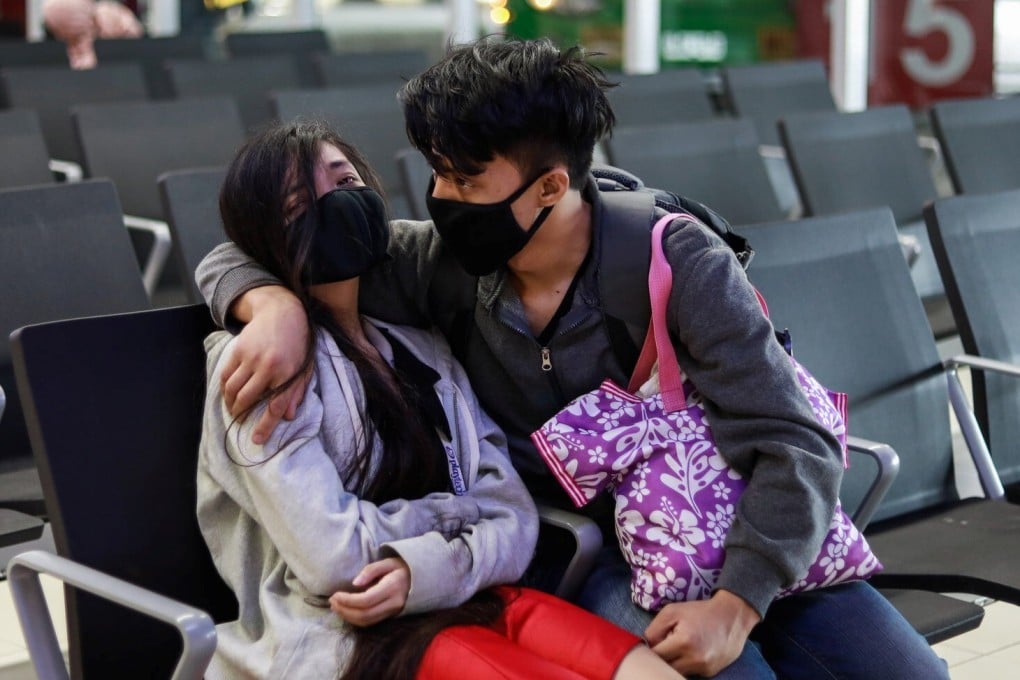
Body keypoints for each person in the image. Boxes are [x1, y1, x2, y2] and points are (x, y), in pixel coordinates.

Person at [196, 38, 949, 679]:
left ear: (551, 185)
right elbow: (261, 238)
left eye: (465, 180)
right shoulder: (445, 264)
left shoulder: (672, 259)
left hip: (737, 527)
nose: (439, 197)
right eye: (435, 172)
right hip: (585, 553)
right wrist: (271, 308)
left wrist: (738, 603)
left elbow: (796, 441)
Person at [197, 119, 682, 680]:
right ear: (265, 237)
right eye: (300, 202)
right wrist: (458, 517)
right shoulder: (261, 368)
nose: (338, 203)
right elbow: (333, 561)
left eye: (346, 180)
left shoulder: (419, 346)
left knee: (647, 672)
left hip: (470, 594)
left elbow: (515, 519)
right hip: (350, 635)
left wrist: (425, 566)